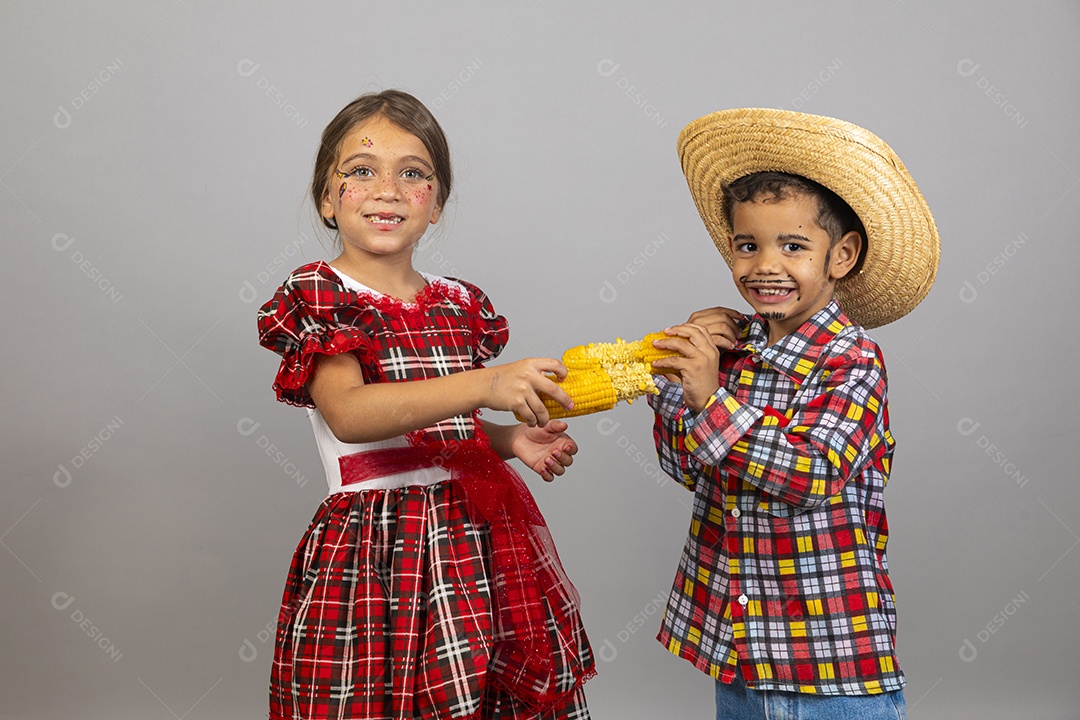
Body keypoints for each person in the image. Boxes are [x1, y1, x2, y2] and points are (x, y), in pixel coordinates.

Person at [257, 89, 594, 720]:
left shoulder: (457, 302)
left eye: (413, 174)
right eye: (360, 171)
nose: (387, 190)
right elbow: (352, 417)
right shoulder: (324, 295)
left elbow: (437, 429)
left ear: (435, 204)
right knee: (383, 695)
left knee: (480, 691)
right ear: (328, 199)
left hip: (473, 539)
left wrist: (505, 439)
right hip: (379, 546)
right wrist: (485, 385)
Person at [647, 108, 939, 719]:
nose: (765, 265)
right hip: (743, 646)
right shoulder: (737, 354)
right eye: (748, 245)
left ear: (841, 256)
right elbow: (685, 464)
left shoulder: (853, 359)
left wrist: (710, 399)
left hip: (828, 657)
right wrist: (677, 377)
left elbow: (809, 476)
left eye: (794, 246)